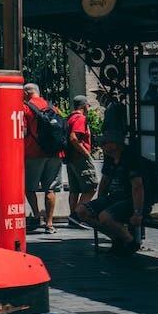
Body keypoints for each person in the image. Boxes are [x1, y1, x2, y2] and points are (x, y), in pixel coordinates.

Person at [74, 125, 145, 256]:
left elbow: (137, 187)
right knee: (81, 211)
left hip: (128, 199)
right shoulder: (109, 158)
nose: (102, 146)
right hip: (113, 197)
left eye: (105, 143)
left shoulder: (130, 159)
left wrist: (137, 212)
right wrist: (100, 200)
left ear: (115, 144)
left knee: (105, 217)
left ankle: (130, 242)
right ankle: (116, 237)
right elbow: (105, 180)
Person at [22, 84, 64, 233]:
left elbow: (23, 131)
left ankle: (37, 215)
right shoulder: (53, 107)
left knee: (29, 188)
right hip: (55, 154)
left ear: (26, 93)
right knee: (51, 188)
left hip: (34, 153)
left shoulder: (25, 108)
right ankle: (50, 223)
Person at [64, 95, 99, 228]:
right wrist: (86, 153)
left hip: (71, 159)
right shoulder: (80, 118)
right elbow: (74, 138)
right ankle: (76, 216)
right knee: (91, 186)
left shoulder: (70, 118)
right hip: (80, 158)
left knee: (75, 189)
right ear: (84, 106)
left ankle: (73, 217)